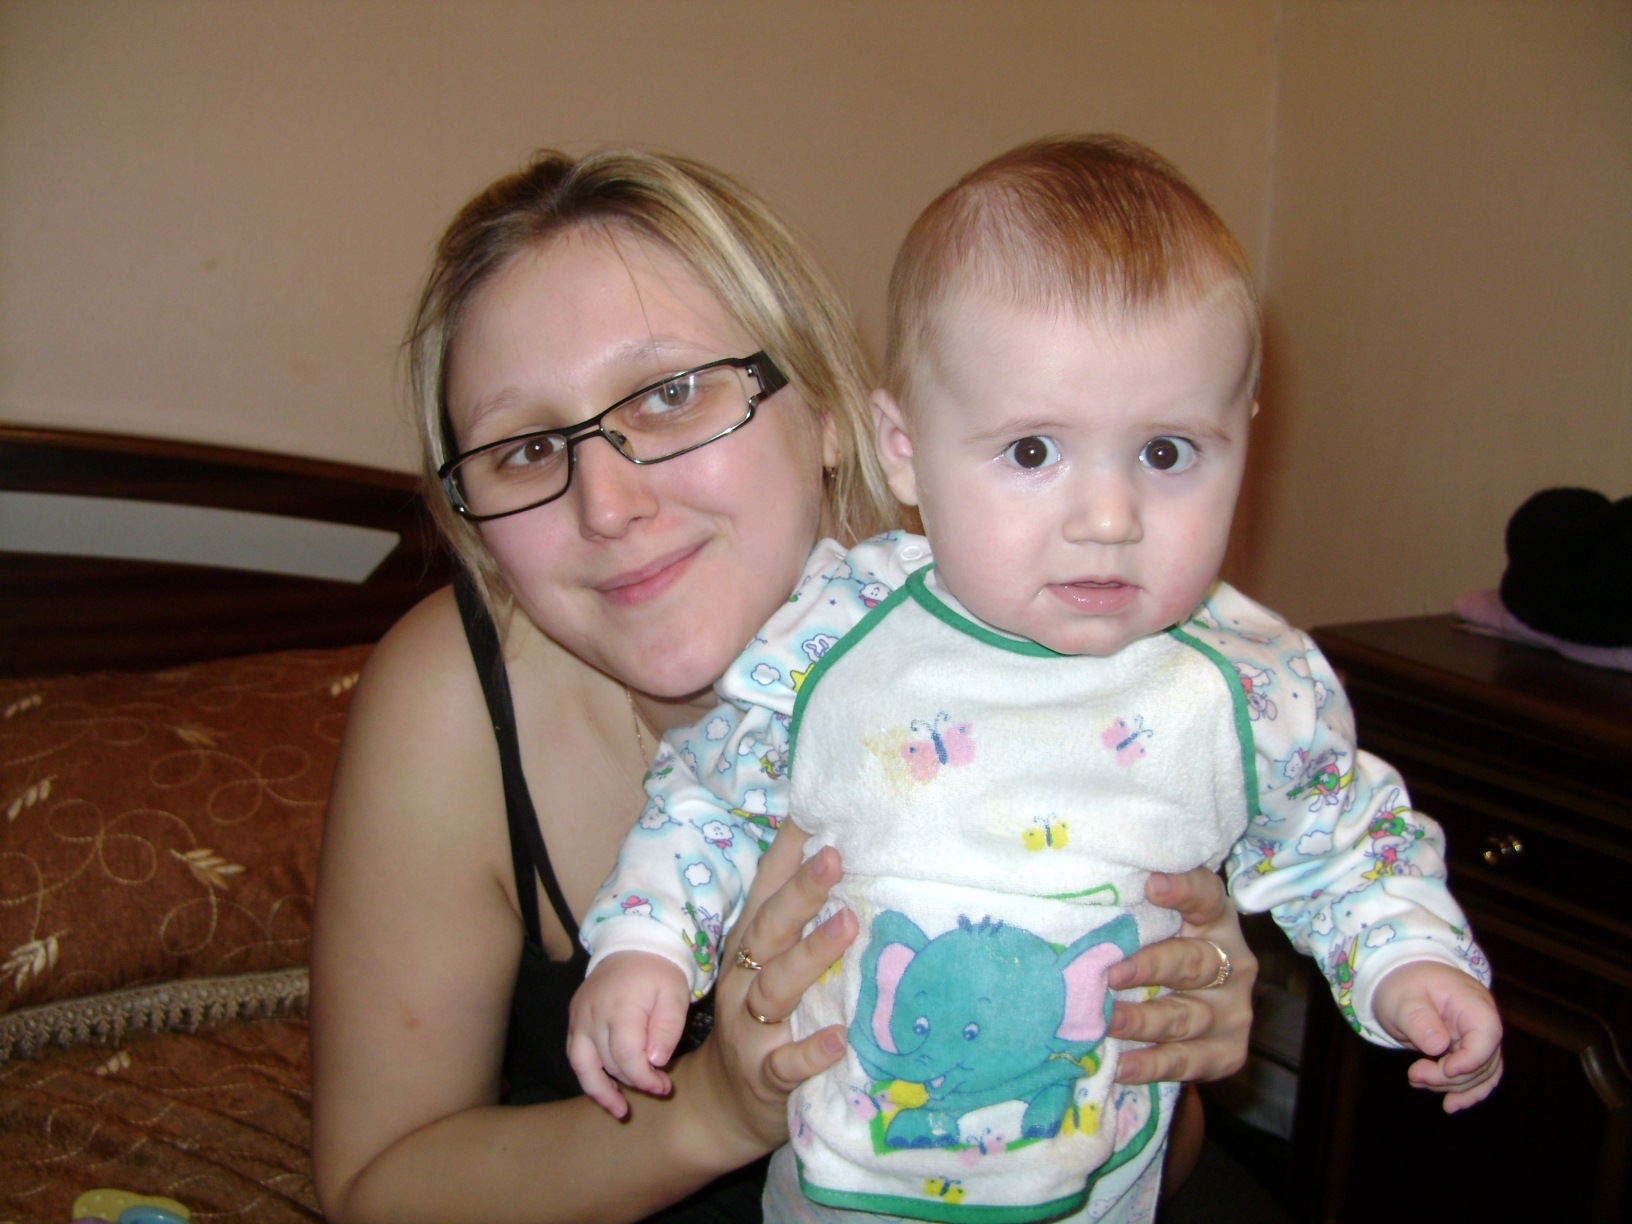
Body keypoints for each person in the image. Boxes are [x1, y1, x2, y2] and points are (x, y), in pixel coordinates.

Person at [308, 146, 1258, 1224]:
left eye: (670, 395)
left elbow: (1161, 1164)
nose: (607, 505)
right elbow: (373, 1185)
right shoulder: (453, 704)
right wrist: (712, 1113)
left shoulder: (1046, 653)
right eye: (524, 450)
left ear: (830, 414)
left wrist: (1165, 1051)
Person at [568, 136, 1503, 1224]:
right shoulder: (833, 640)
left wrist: (1412, 964)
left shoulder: (1247, 689)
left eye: (1166, 453)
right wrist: (644, 945)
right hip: (836, 1192)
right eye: (1031, 453)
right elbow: (709, 799)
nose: (1107, 518)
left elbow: (1345, 843)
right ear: (903, 449)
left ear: (1244, 439)